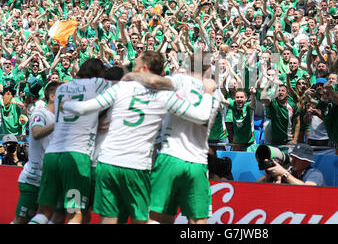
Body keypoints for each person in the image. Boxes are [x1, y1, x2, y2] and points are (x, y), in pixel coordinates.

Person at [61, 51, 216, 224]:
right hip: (139, 164)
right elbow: (201, 115)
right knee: (145, 219)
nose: (132, 69)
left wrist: (67, 104)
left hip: (108, 161)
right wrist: (208, 93)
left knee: (105, 218)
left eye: (135, 65)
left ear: (143, 68)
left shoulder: (123, 86)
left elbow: (85, 108)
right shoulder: (165, 95)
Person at [28, 58, 112, 225]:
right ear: (99, 73)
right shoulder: (99, 84)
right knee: (74, 214)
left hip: (52, 155)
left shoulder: (62, 88)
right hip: (76, 157)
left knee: (45, 213)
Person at [145, 52, 220, 224]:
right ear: (208, 69)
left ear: (187, 64)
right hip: (197, 162)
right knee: (198, 221)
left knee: (156, 218)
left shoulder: (177, 80)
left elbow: (154, 86)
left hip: (170, 157)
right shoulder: (214, 96)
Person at [13, 81, 60, 224]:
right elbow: (36, 132)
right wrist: (58, 123)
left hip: (49, 179)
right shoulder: (40, 113)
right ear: (52, 96)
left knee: (53, 217)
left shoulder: (58, 117)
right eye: (62, 95)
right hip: (33, 178)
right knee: (21, 221)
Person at [258, 143, 325, 186]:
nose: (293, 161)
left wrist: (284, 173)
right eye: (293, 157)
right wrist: (268, 174)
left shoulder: (315, 174)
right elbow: (257, 185)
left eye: (297, 158)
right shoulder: (292, 174)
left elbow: (308, 190)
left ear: (307, 161)